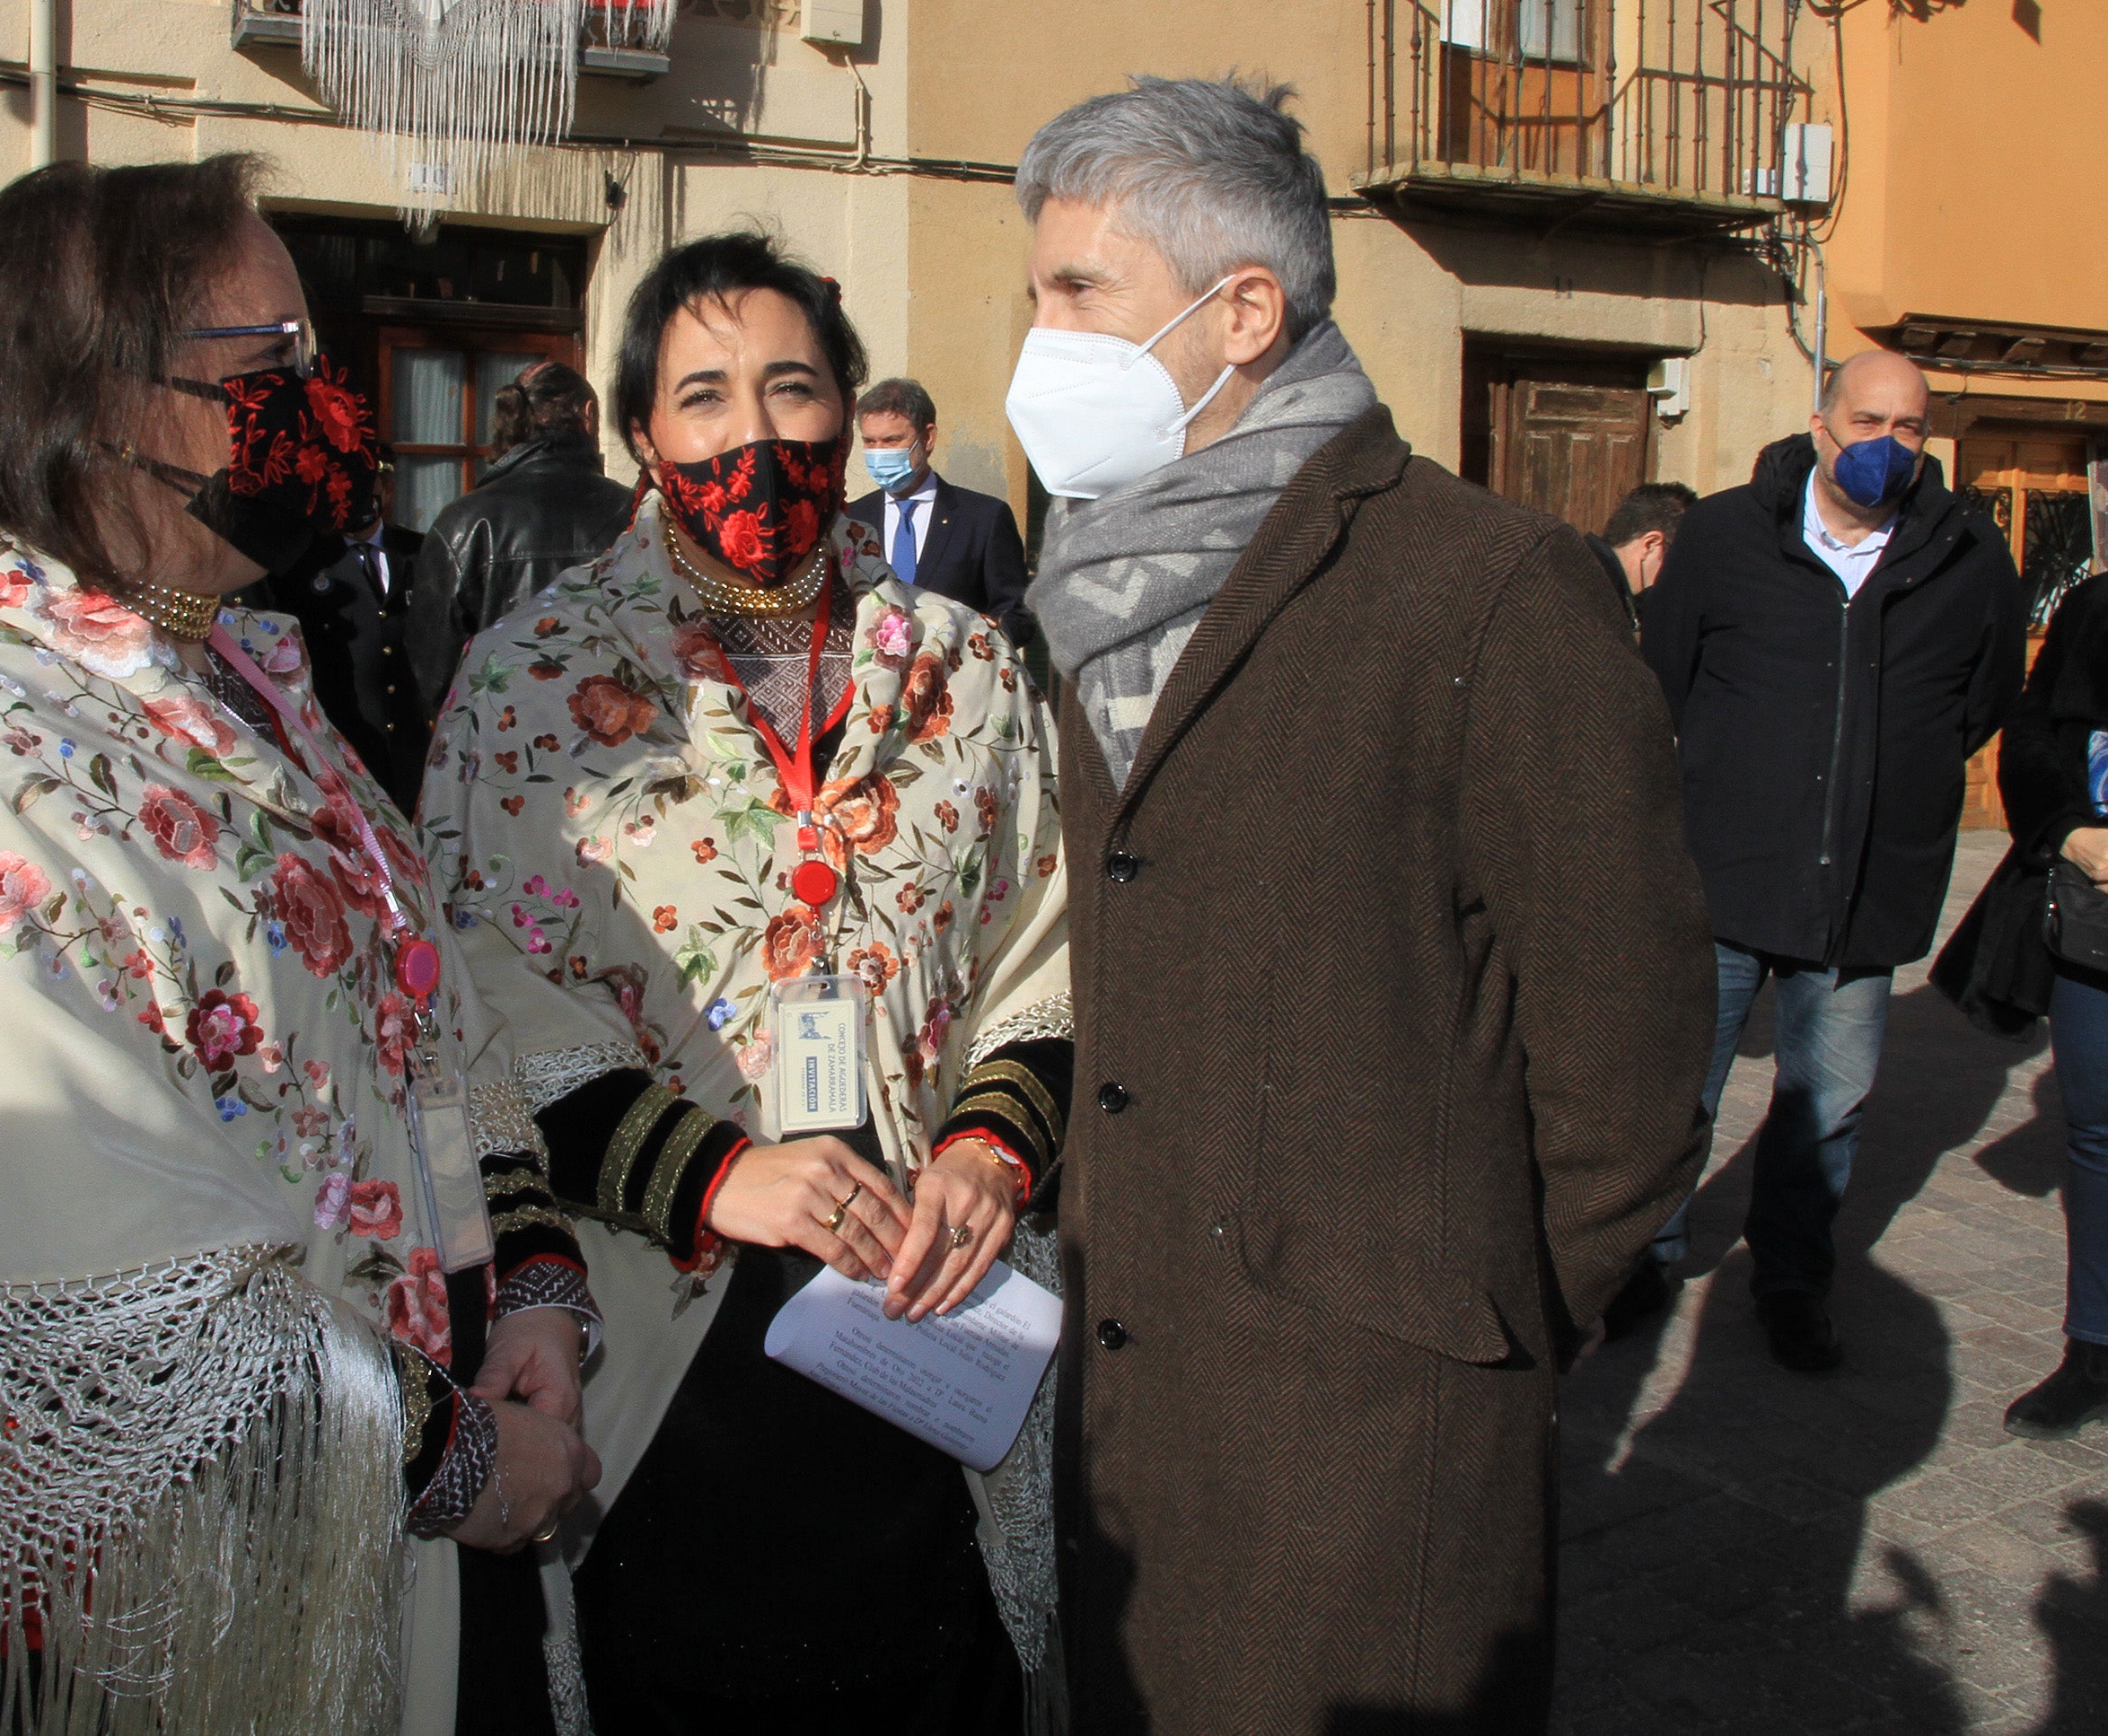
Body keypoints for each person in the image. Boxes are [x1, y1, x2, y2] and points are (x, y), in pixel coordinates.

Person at [0, 156, 602, 1735]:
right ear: (88, 397)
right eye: (269, 370)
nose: (327, 411)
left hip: (401, 1516)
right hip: (145, 1621)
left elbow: (421, 1019)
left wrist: (538, 1286)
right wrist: (456, 1455)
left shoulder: (237, 674)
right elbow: (86, 1274)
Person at [1009, 76, 1714, 1732]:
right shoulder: (1086, 582)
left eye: (1077, 292)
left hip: (1365, 1439)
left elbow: (1624, 1051)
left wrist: (1473, 1328)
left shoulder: (1484, 586)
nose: (1039, 334)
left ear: (1240, 309)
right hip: (1122, 1413)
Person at [422, 231, 1071, 1731]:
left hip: (926, 1310)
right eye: (703, 396)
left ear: (849, 411)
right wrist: (717, 1171)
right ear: (641, 433)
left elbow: (1042, 941)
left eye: (791, 387)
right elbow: (474, 993)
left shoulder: (966, 671)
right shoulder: (529, 678)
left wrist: (989, 1147)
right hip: (669, 1353)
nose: (755, 433)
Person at [1640, 349, 2025, 1372]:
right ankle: (1645, 1252)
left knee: (1828, 1107)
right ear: (1819, 426)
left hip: (1865, 888)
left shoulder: (1969, 557)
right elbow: (1659, 682)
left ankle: (1790, 1280)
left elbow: (1980, 703)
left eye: (1908, 428)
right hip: (1722, 872)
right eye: (1867, 423)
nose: (1886, 447)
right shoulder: (1724, 535)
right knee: (1676, 1084)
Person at [1931, 573, 2108, 1437]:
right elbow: (2034, 729)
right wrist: (2065, 826)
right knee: (2097, 1133)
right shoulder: (2096, 605)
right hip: (2097, 917)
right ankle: (2094, 1348)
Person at [407, 360, 636, 722]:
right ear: (588, 415)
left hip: (503, 743)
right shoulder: (637, 513)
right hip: (618, 742)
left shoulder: (462, 521)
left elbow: (432, 674)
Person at [249, 442, 434, 813]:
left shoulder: (424, 552)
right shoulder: (303, 565)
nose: (359, 500)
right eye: (346, 490)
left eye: (370, 487)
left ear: (388, 487)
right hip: (348, 748)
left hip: (420, 746)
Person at [846, 377, 1032, 643]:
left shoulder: (984, 518)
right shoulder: (852, 519)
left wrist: (974, 646)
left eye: (891, 440)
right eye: (870, 442)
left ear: (928, 438)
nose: (879, 453)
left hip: (956, 677)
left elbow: (1017, 613)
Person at [1582, 479, 1697, 628]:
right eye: (1682, 568)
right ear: (1651, 545)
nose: (1678, 587)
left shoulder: (1585, 577)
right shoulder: (1593, 600)